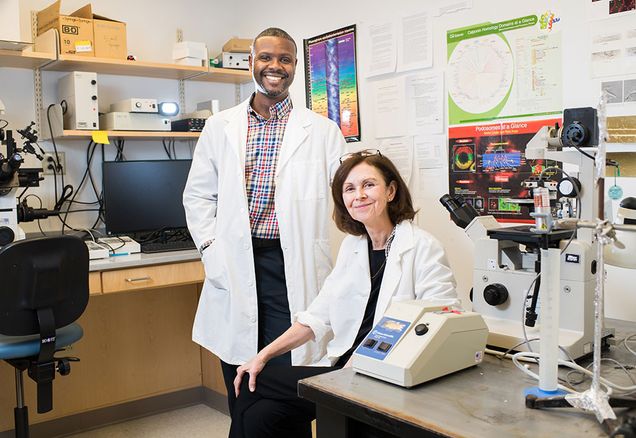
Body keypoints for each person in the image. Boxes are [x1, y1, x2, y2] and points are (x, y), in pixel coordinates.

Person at [229, 150, 458, 438]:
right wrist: (262, 356)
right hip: (342, 367)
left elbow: (442, 321)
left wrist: (362, 360)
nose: (358, 195)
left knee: (258, 382)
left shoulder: (423, 247)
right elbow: (316, 318)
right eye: (349, 188)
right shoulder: (353, 247)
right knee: (260, 413)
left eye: (368, 185)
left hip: (386, 374)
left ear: (390, 191)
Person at [182, 27, 347, 414]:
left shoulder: (322, 131)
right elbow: (198, 196)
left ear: (294, 68)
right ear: (252, 63)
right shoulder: (219, 127)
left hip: (291, 266)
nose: (276, 66)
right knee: (238, 377)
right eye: (266, 57)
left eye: (285, 59)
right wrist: (211, 249)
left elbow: (348, 197)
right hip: (236, 260)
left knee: (286, 383)